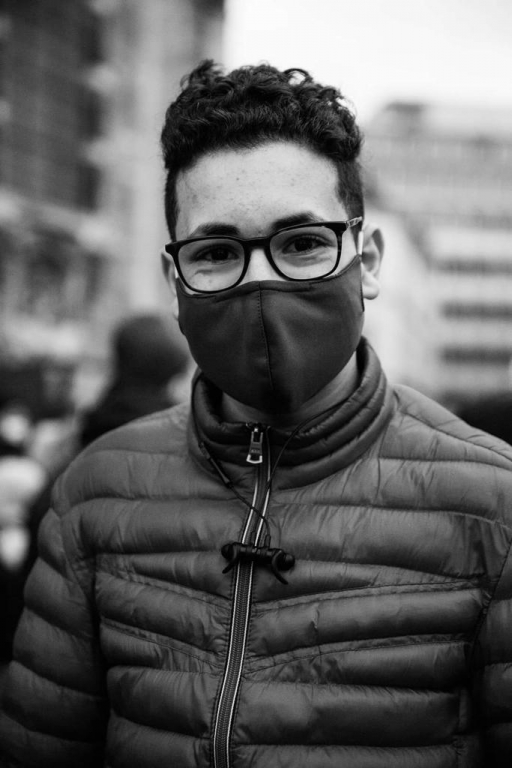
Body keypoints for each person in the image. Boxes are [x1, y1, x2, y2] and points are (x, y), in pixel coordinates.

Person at [1, 61, 512, 768]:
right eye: (216, 253)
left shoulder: (495, 507)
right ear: (174, 280)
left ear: (365, 261)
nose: (262, 280)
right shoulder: (95, 492)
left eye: (301, 244)